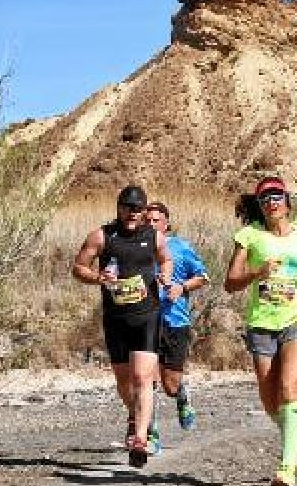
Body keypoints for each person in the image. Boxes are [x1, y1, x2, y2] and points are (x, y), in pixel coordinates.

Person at [223, 176, 297, 486]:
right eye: (266, 198)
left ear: (287, 202)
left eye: (277, 196)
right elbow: (230, 283)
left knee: (289, 385)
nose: (272, 202)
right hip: (262, 322)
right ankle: (292, 433)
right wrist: (258, 272)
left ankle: (286, 467)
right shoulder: (249, 236)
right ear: (260, 205)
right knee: (270, 399)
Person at [71, 185, 173, 467]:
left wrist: (165, 276)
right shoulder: (102, 236)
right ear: (118, 207)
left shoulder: (154, 237)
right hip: (116, 319)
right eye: (128, 208)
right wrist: (97, 277)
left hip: (147, 316)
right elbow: (78, 267)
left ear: (144, 211)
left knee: (142, 378)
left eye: (138, 209)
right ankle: (135, 414)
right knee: (123, 381)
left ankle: (141, 438)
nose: (132, 213)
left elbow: (166, 260)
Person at [144, 201, 209, 441]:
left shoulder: (181, 247)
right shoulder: (138, 248)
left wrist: (181, 287)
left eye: (156, 220)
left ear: (166, 223)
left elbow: (202, 277)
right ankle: (150, 434)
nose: (151, 225)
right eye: (147, 220)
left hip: (175, 321)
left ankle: (181, 394)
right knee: (146, 381)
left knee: (169, 385)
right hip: (145, 321)